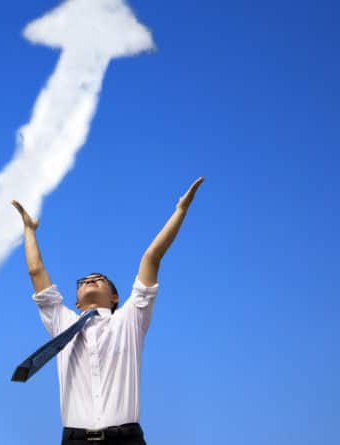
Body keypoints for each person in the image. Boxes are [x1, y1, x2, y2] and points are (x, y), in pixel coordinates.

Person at [11, 176, 204, 445]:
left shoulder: (130, 318)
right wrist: (29, 230)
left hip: (125, 438)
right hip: (74, 440)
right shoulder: (61, 322)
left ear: (115, 296)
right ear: (76, 301)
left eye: (98, 278)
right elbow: (36, 271)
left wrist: (180, 211)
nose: (89, 280)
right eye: (82, 281)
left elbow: (151, 257)